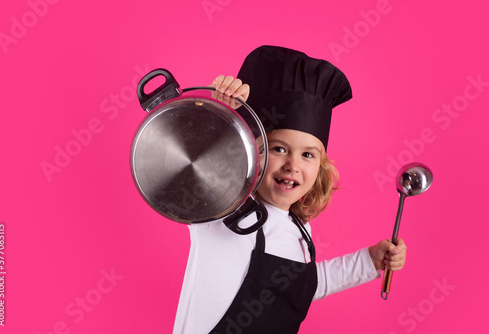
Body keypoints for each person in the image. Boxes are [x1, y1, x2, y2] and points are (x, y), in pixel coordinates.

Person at [173, 45, 407, 334]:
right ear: (252, 150)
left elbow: (301, 288)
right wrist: (225, 113)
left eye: (308, 155)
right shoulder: (223, 206)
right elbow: (190, 163)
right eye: (280, 149)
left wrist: (369, 260)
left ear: (320, 167)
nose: (293, 165)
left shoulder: (301, 230)